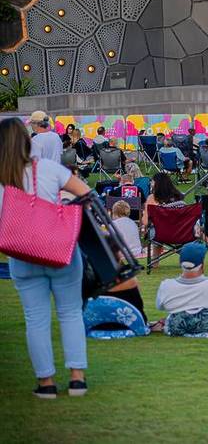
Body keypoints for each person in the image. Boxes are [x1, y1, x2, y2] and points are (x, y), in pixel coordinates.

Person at [0, 118, 93, 398]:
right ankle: (77, 378)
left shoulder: (3, 180)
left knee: (35, 319)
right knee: (70, 313)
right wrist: (62, 206)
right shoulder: (48, 169)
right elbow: (86, 193)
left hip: (22, 255)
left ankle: (46, 382)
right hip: (60, 249)